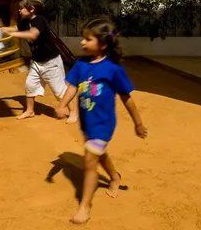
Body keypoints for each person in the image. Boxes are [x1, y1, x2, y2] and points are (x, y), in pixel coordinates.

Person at [57, 19, 147, 224]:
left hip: (104, 125)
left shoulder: (113, 69)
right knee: (98, 155)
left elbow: (127, 98)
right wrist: (63, 105)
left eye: (87, 39)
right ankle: (115, 177)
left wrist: (138, 123)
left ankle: (85, 206)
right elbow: (72, 86)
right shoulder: (80, 64)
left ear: (103, 44)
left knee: (90, 162)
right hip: (87, 123)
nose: (82, 42)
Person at [3, 0, 74, 122]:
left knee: (60, 91)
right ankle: (30, 111)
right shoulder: (25, 21)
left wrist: (12, 34)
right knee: (30, 85)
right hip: (36, 61)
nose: (19, 10)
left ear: (31, 9)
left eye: (21, 8)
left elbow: (33, 34)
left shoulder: (39, 20)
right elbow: (14, 28)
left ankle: (74, 112)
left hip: (51, 62)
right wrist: (1, 29)